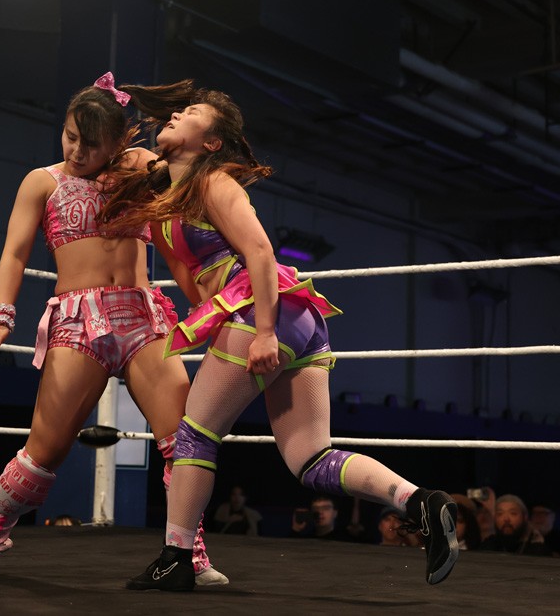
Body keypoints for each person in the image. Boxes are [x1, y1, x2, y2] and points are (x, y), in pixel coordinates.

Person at [98, 87, 459, 590]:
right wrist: (105, 109)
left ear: (211, 143)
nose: (177, 113)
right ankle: (420, 501)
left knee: (195, 436)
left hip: (262, 311)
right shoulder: (169, 193)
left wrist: (265, 332)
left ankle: (176, 559)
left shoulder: (213, 182)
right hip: (294, 319)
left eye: (192, 112)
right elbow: (119, 162)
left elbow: (261, 251)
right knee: (311, 460)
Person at [0, 73, 226, 586]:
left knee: (183, 441)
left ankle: (189, 553)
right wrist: (1, 317)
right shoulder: (42, 181)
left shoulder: (140, 166)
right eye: (70, 136)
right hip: (77, 320)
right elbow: (14, 253)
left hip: (142, 316)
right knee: (43, 451)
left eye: (90, 144)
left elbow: (190, 192)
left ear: (116, 142)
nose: (75, 151)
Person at [478, 494, 552, 556]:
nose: (506, 519)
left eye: (513, 513)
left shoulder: (537, 548)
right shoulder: (488, 545)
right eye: (500, 514)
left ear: (525, 517)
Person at [290, 494, 365, 543]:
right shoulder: (306, 540)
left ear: (335, 513)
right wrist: (296, 529)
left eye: (325, 508)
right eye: (316, 508)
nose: (320, 512)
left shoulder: (345, 540)